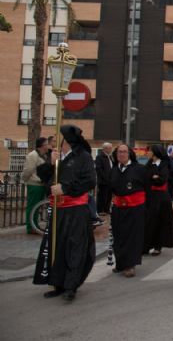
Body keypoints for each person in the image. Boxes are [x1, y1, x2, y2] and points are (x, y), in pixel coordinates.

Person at [33, 125, 96, 301]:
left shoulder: (83, 157)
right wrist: (51, 164)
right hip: (58, 211)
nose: (60, 145)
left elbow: (90, 181)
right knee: (57, 247)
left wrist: (66, 188)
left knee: (74, 248)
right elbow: (43, 177)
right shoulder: (57, 158)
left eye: (64, 141)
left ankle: (71, 285)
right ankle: (58, 283)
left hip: (76, 210)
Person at [109, 144, 146, 277]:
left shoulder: (139, 169)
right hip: (118, 208)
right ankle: (120, 263)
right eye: (119, 152)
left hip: (135, 208)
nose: (121, 154)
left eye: (124, 152)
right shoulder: (114, 169)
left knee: (132, 236)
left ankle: (130, 265)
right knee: (118, 235)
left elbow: (146, 188)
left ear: (129, 154)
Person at [144, 145, 173, 256]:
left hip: (161, 198)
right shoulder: (149, 164)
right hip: (149, 197)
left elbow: (162, 180)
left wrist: (154, 178)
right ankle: (146, 246)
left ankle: (158, 246)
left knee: (159, 222)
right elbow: (146, 177)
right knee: (147, 222)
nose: (148, 152)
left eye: (150, 151)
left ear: (155, 153)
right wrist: (153, 177)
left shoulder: (164, 165)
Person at [22, 137, 49, 234]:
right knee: (32, 205)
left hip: (41, 184)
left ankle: (34, 224)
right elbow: (28, 170)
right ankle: (30, 227)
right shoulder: (33, 155)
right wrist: (26, 179)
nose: (48, 146)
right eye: (46, 144)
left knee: (36, 207)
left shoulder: (44, 155)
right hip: (34, 184)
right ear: (41, 146)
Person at [95, 142, 114, 215]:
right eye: (110, 148)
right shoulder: (100, 157)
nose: (111, 149)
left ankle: (106, 209)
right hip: (103, 181)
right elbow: (99, 169)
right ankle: (100, 210)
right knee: (102, 196)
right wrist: (106, 178)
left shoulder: (109, 157)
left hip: (110, 181)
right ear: (105, 148)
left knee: (109, 196)